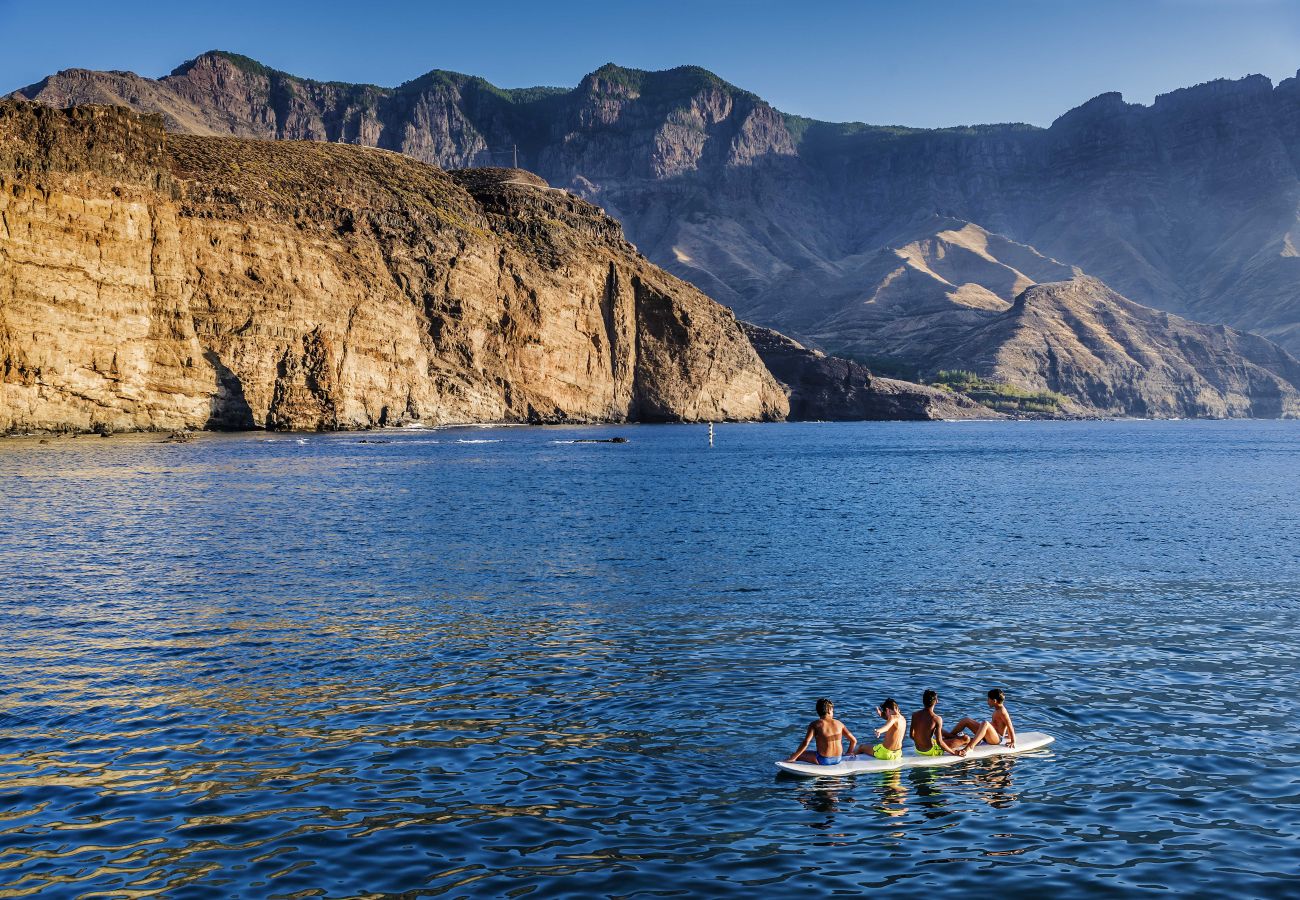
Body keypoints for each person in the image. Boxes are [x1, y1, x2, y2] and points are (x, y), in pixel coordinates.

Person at [787, 698, 859, 765]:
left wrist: (793, 758)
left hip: (823, 760)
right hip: (838, 759)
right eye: (833, 711)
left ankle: (793, 757)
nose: (833, 713)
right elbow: (854, 740)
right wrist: (849, 752)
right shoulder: (839, 723)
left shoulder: (815, 724)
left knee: (795, 754)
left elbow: (806, 743)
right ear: (829, 710)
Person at [945, 688, 1017, 752]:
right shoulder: (997, 709)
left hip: (996, 739)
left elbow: (1010, 725)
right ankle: (948, 737)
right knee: (966, 720)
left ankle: (970, 747)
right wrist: (1009, 736)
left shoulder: (1003, 712)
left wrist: (1012, 741)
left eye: (988, 699)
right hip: (988, 736)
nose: (987, 701)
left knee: (985, 723)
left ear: (994, 701)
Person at [910, 689, 967, 757]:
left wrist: (921, 742)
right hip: (931, 751)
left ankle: (953, 737)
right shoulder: (936, 719)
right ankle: (964, 739)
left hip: (917, 750)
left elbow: (911, 735)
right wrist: (954, 752)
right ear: (936, 701)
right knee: (965, 738)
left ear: (923, 701)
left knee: (938, 732)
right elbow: (940, 742)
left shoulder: (915, 715)